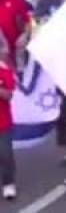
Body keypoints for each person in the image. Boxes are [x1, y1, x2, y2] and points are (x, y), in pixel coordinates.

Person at [0, 47, 12, 201]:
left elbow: (9, 95)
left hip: (3, 123)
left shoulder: (3, 69)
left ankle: (8, 183)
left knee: (5, 155)